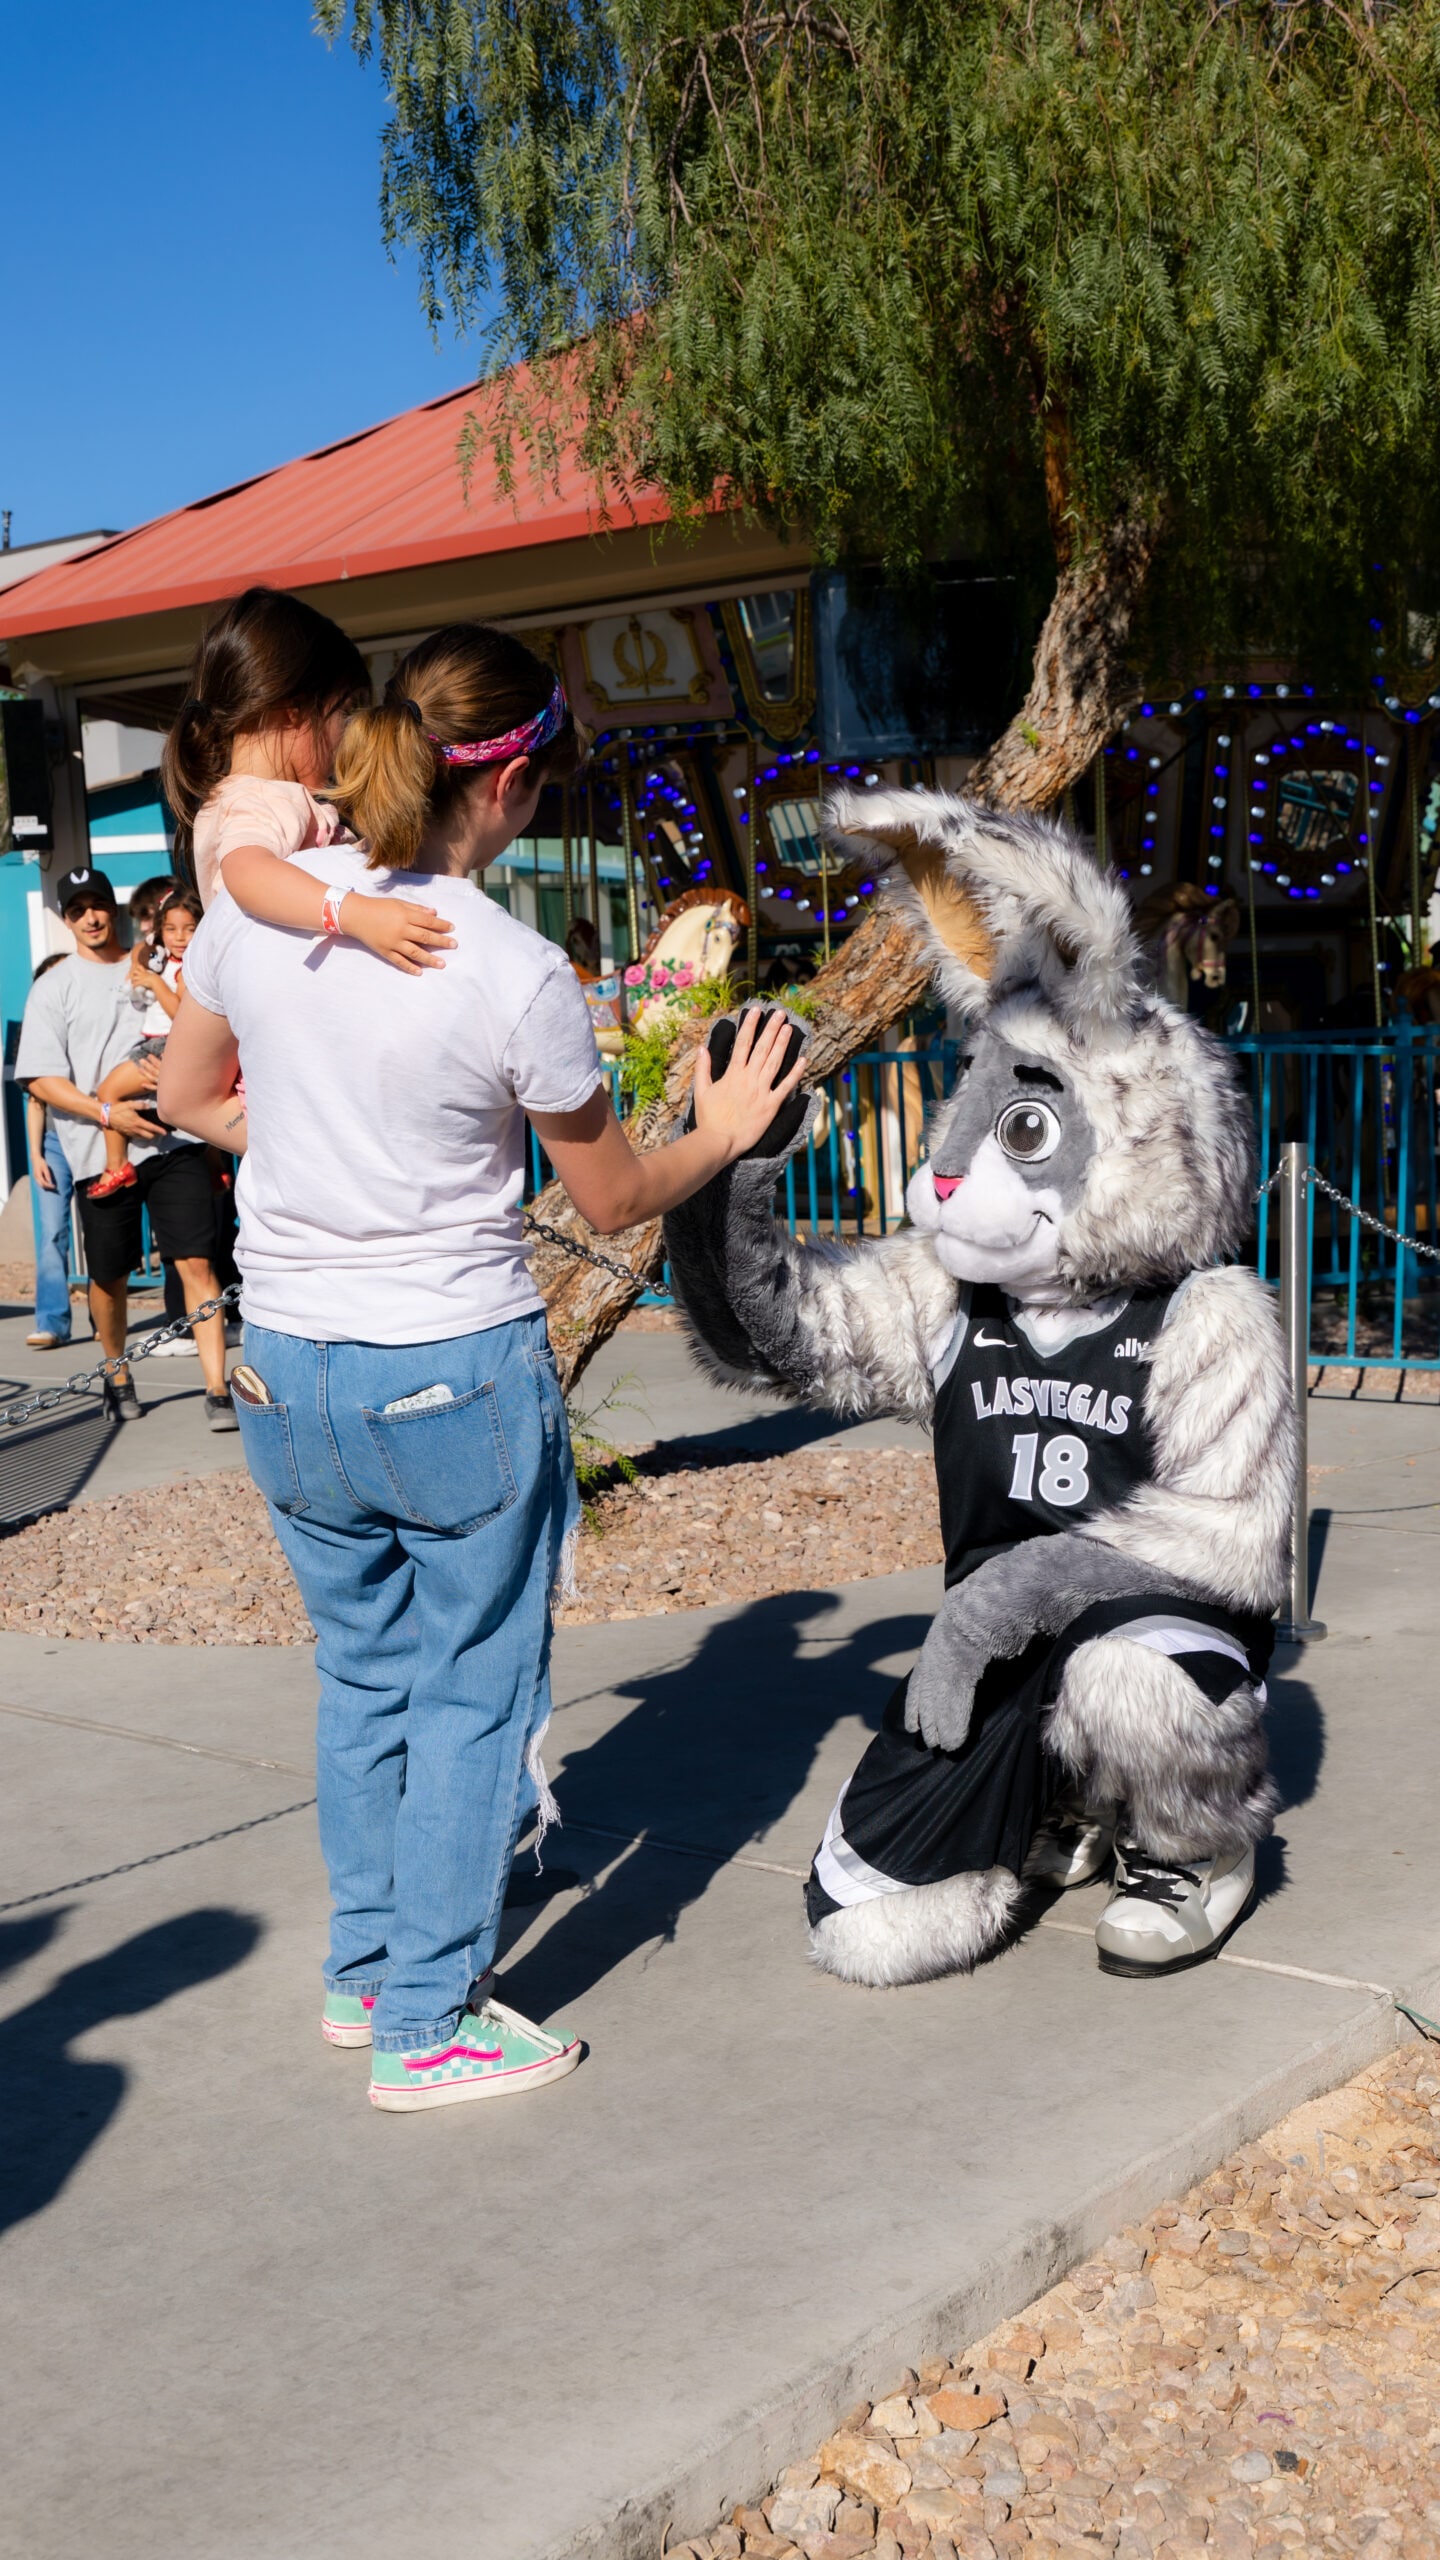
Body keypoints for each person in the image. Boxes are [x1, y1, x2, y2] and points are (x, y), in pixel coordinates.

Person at [159, 621, 805, 2114]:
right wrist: (724, 1127)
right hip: (447, 1368)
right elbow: (615, 1198)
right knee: (469, 1695)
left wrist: (307, 1151)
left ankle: (367, 1969)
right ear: (508, 785)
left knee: (364, 1677)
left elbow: (189, 1092)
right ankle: (429, 2021)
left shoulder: (258, 912)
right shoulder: (511, 970)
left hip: (287, 1366)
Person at [15, 865, 236, 1429]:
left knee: (197, 1262)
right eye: (76, 910)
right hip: (100, 1153)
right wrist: (106, 1111)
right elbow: (40, 1078)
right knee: (109, 1279)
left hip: (176, 1141)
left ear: (112, 908)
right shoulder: (54, 986)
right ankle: (117, 1375)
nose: (90, 917)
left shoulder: (159, 960)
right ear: (65, 918)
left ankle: (217, 1389)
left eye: (97, 905)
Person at [163, 584, 453, 978]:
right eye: (343, 711)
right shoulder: (255, 801)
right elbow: (248, 875)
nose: (344, 732)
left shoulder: (265, 798)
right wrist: (357, 914)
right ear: (295, 711)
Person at [90, 888, 202, 1196]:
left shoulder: (189, 969)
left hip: (166, 1045)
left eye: (190, 929)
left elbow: (180, 1014)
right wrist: (145, 959)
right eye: (171, 929)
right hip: (154, 1042)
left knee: (108, 1091)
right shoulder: (163, 958)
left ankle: (116, 1166)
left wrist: (154, 983)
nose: (180, 937)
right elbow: (141, 948)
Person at [24, 956, 75, 1350]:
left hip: (96, 1135)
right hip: (55, 1143)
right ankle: (52, 1322)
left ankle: (104, 1317)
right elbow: (36, 1099)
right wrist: (37, 1155)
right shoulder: (38, 1031)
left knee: (103, 1232)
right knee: (52, 1231)